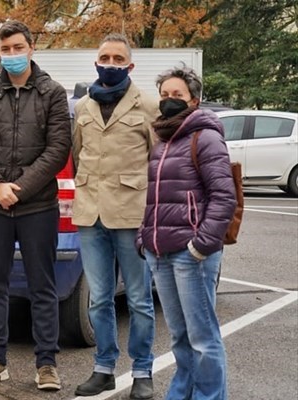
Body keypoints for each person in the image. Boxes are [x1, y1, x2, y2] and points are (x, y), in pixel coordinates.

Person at [0, 20, 71, 391]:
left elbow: (58, 149)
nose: (11, 55)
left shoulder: (52, 93)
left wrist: (20, 188)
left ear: (31, 48)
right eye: (5, 49)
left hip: (37, 206)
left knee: (43, 285)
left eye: (17, 48)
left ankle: (46, 364)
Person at [138, 66, 236, 399]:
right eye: (164, 95)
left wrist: (202, 245)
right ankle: (181, 393)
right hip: (161, 252)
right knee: (179, 336)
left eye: (176, 95)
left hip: (190, 254)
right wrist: (144, 239)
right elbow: (154, 197)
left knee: (203, 339)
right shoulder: (163, 140)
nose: (168, 101)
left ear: (193, 100)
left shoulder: (205, 136)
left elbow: (224, 197)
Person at [72, 33, 158, 399]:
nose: (109, 63)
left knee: (138, 299)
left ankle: (142, 372)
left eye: (117, 58)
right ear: (95, 61)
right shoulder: (82, 107)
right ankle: (104, 368)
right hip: (90, 214)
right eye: (104, 56)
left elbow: (159, 164)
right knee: (99, 299)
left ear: (130, 65)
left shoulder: (148, 106)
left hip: (131, 215)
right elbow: (78, 156)